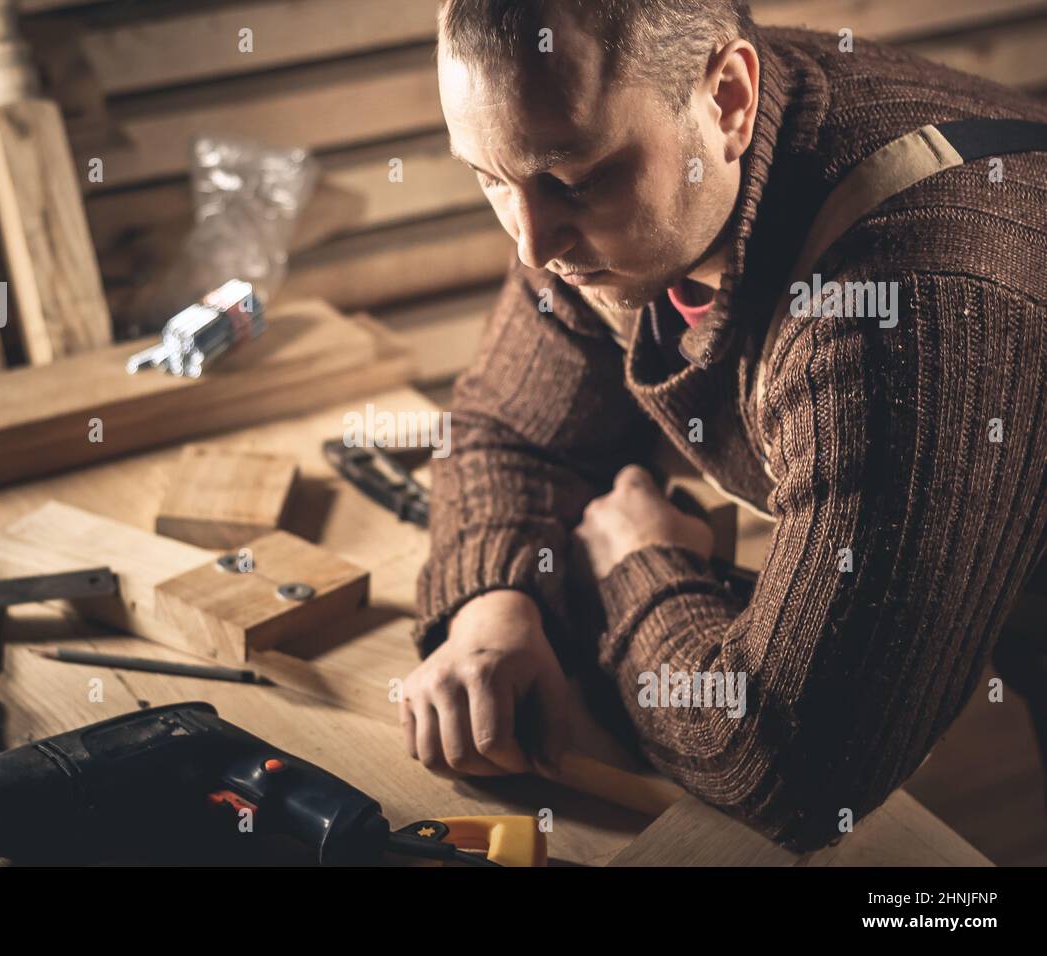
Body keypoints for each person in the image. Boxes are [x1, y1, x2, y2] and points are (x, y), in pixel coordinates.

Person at [404, 0, 1047, 851]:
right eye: (490, 178)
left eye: (572, 178)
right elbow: (507, 427)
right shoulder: (628, 146)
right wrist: (496, 601)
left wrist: (644, 565)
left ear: (730, 101)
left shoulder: (910, 306)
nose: (530, 245)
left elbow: (789, 763)